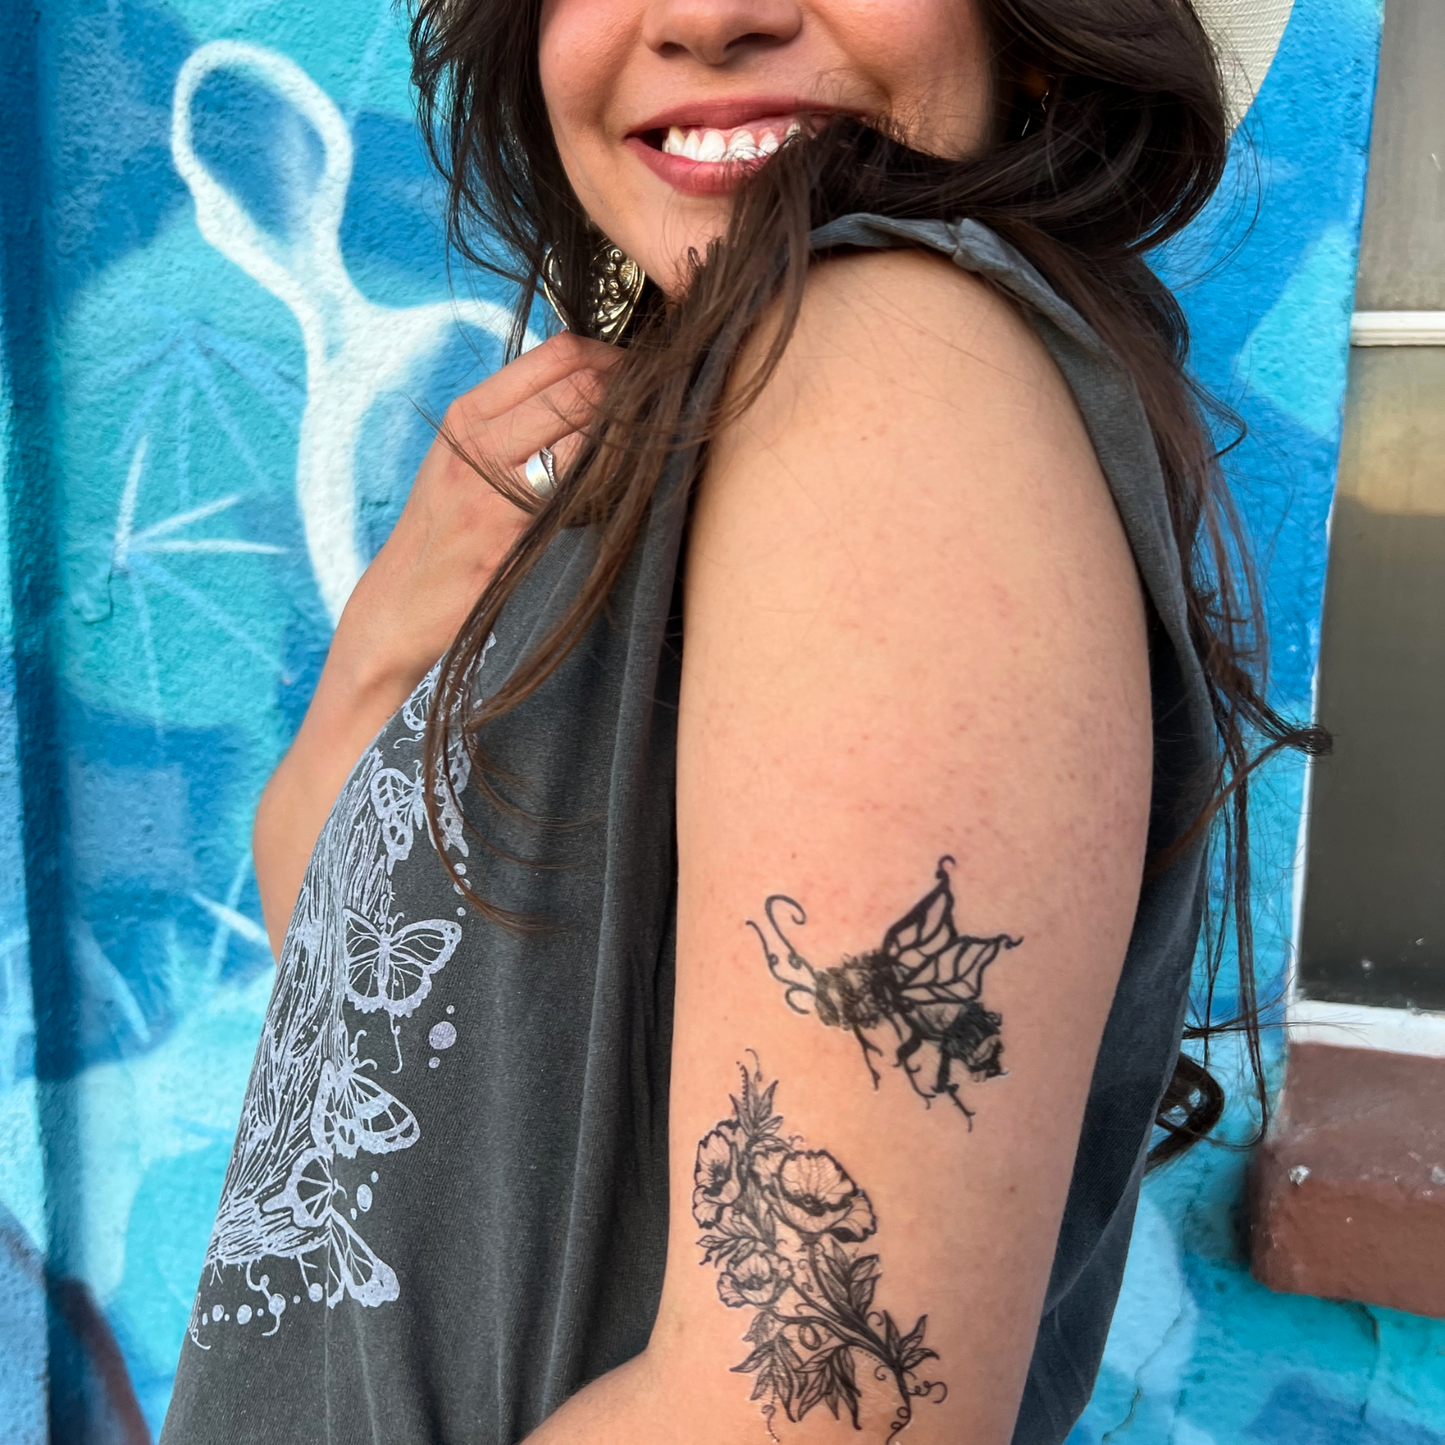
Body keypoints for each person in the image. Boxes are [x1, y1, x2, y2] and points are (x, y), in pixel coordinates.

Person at [161, 1, 1322, 1442]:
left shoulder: (883, 362)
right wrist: (397, 625)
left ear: (1023, 27)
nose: (711, 17)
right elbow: (333, 976)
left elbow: (800, 1416)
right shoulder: (685, 429)